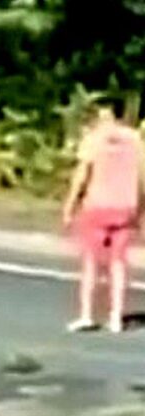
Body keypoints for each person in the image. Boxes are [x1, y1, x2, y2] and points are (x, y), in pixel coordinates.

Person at [63, 107, 145, 333]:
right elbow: (142, 176)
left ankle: (86, 315)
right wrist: (140, 209)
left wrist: (70, 206)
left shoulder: (94, 139)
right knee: (118, 263)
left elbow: (82, 175)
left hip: (97, 206)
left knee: (91, 262)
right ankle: (116, 317)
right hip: (126, 207)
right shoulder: (135, 139)